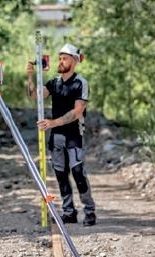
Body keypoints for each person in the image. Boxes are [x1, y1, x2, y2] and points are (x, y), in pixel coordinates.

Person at [26, 43, 96, 226]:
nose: (61, 61)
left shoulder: (80, 83)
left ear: (74, 61)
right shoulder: (54, 82)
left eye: (64, 58)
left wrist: (52, 122)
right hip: (56, 137)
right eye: (59, 58)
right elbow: (35, 96)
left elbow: (77, 112)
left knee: (78, 172)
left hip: (74, 135)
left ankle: (89, 211)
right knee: (60, 174)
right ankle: (69, 212)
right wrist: (30, 76)